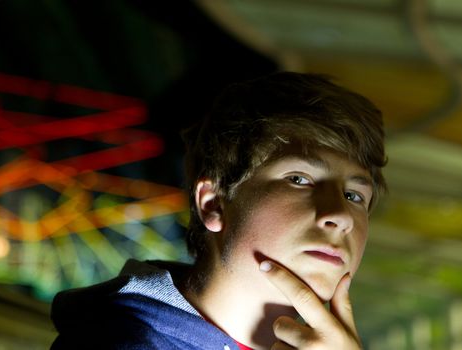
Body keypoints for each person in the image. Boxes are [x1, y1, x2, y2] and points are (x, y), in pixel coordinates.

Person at [50, 71, 387, 350]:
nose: (341, 215)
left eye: (355, 195)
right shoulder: (120, 342)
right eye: (299, 178)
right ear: (213, 203)